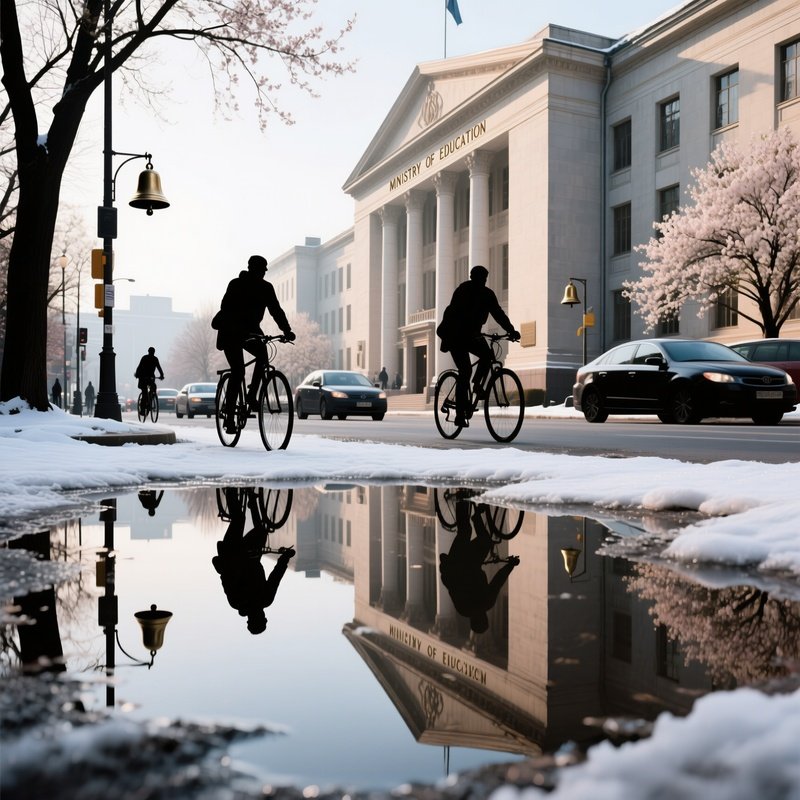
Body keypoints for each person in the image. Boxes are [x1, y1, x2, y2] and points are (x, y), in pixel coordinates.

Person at [212, 255, 296, 434]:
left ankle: (252, 395)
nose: (261, 274)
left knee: (263, 354)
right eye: (259, 270)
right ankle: (229, 416)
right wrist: (239, 323)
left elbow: (276, 310)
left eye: (263, 271)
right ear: (251, 269)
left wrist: (287, 330)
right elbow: (225, 307)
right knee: (238, 371)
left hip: (251, 331)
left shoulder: (266, 288)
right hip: (231, 332)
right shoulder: (236, 284)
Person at [436, 265, 520, 428]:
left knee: (488, 356)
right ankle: (460, 415)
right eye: (481, 277)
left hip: (473, 335)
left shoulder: (487, 294)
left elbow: (498, 314)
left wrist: (511, 330)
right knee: (465, 370)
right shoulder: (463, 290)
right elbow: (453, 313)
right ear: (473, 277)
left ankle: (477, 385)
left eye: (484, 278)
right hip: (456, 336)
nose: (482, 281)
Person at [212, 487, 295, 634]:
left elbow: (227, 576)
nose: (263, 615)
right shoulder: (265, 599)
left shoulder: (237, 602)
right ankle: (252, 500)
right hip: (251, 556)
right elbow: (276, 577)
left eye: (262, 619)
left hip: (232, 553)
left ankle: (231, 491)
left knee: (239, 518)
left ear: (254, 619)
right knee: (262, 531)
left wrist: (239, 560)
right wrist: (284, 558)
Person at [438, 499, 519, 633]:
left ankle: (465, 503)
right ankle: (465, 503)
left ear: (484, 618)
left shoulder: (486, 603)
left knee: (475, 536)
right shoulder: (464, 609)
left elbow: (498, 581)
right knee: (466, 533)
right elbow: (451, 586)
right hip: (459, 563)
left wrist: (511, 565)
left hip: (463, 563)